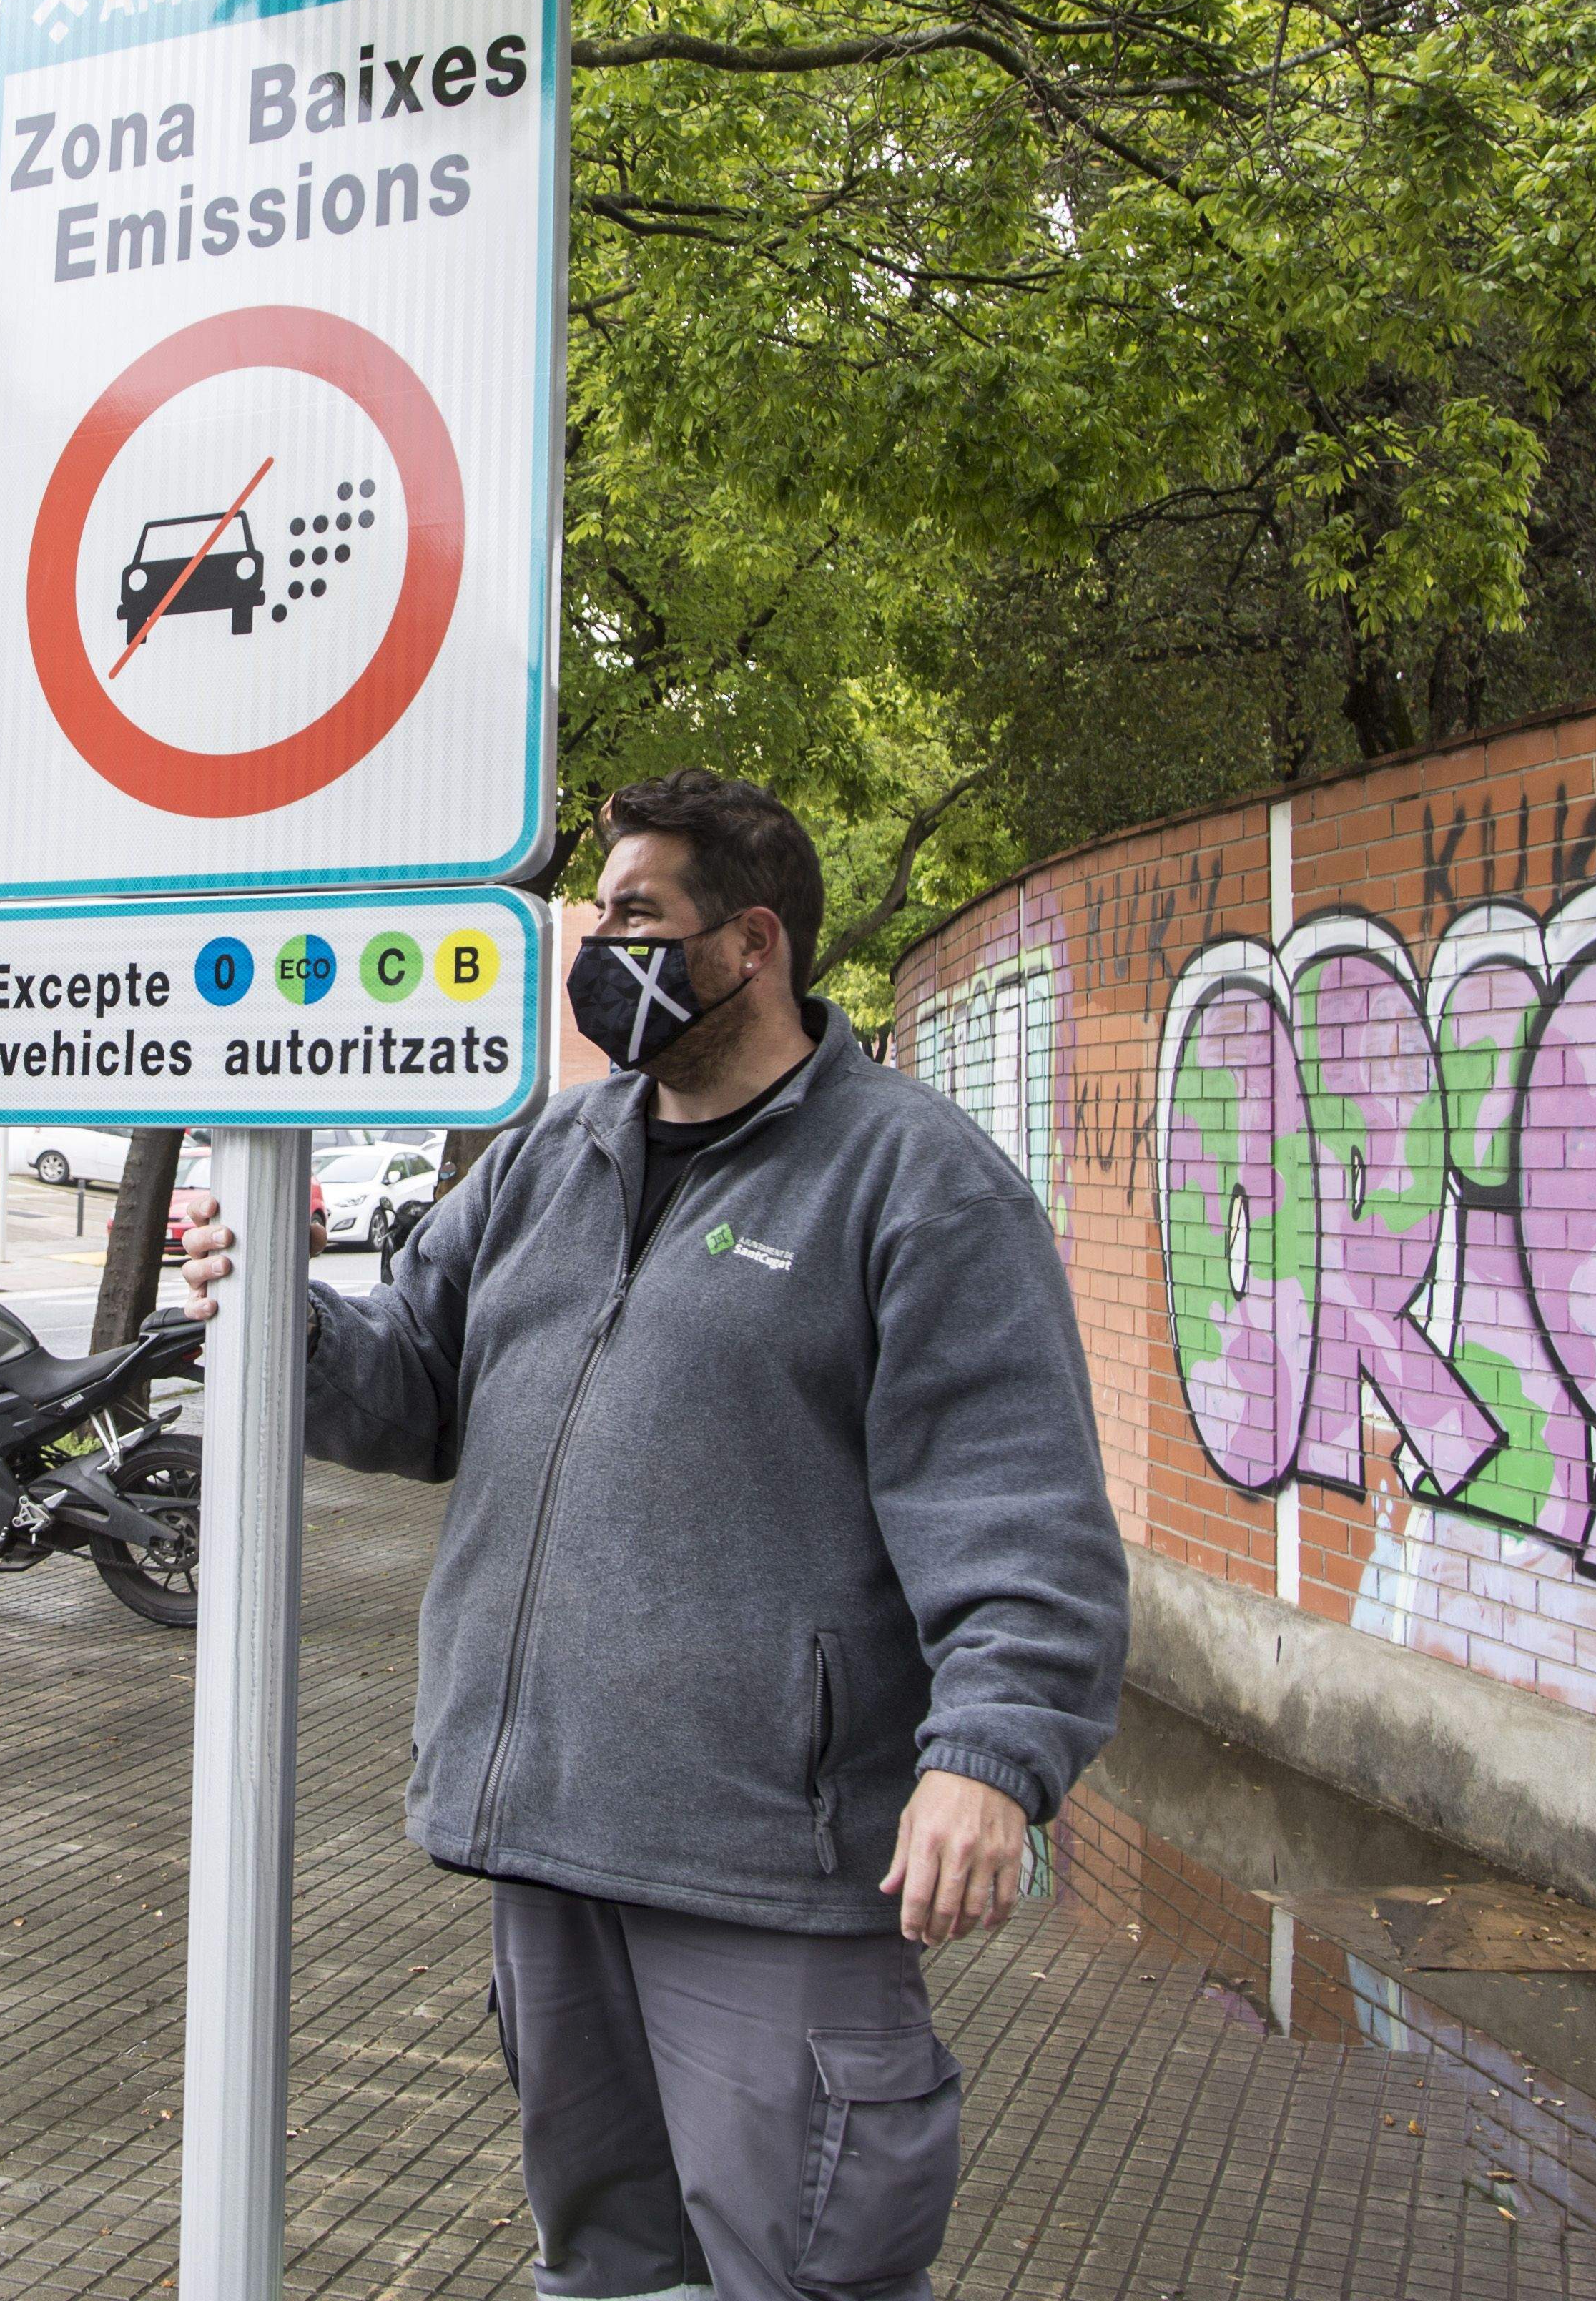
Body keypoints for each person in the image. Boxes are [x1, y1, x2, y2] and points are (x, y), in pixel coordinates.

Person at [173, 767, 1126, 2301]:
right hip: (549, 1843)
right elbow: (412, 1389)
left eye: (636, 914)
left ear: (751, 943)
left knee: (803, 2269)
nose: (597, 945)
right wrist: (271, 1309)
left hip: (767, 1871)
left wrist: (989, 1758)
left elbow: (1021, 1509)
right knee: (605, 2267)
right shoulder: (557, 1152)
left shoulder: (918, 1183)